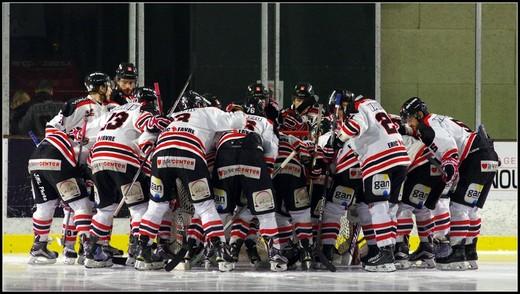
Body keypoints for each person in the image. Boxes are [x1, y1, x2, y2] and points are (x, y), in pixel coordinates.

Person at [134, 90, 248, 272]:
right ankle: (220, 251)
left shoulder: (171, 116)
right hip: (190, 154)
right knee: (205, 207)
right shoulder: (208, 112)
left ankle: (143, 250)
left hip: (161, 155)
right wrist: (238, 110)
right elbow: (237, 122)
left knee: (156, 207)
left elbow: (144, 139)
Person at [400, 97, 499, 271]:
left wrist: (449, 170)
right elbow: (420, 133)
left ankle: (456, 253)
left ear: (419, 114)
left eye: (409, 118)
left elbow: (450, 151)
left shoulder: (429, 126)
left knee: (458, 207)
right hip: (488, 155)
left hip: (474, 157)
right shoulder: (434, 120)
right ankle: (470, 252)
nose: (408, 122)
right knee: (471, 208)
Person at [27, 72, 112, 265]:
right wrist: (73, 140)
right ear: (100, 87)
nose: (110, 89)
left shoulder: (102, 108)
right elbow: (53, 126)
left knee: (45, 206)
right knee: (82, 205)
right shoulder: (81, 104)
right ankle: (87, 249)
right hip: (60, 158)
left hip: (37, 160)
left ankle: (38, 248)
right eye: (107, 86)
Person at [84, 87, 171, 268]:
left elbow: (87, 132)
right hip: (122, 158)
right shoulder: (143, 107)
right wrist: (159, 121)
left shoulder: (114, 110)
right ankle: (140, 252)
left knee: (105, 210)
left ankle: (91, 253)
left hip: (97, 160)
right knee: (139, 208)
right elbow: (146, 123)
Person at [211, 82, 288, 272]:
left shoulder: (228, 118)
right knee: (265, 209)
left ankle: (219, 253)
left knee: (222, 209)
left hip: (225, 158)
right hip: (251, 154)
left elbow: (214, 143)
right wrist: (265, 176)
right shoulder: (266, 121)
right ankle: (275, 254)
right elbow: (271, 151)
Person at [335, 91, 411, 272]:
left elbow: (355, 126)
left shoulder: (357, 108)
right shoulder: (373, 105)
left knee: (378, 207)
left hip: (380, 161)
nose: (338, 115)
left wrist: (338, 139)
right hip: (400, 158)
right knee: (390, 208)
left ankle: (384, 255)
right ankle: (390, 250)